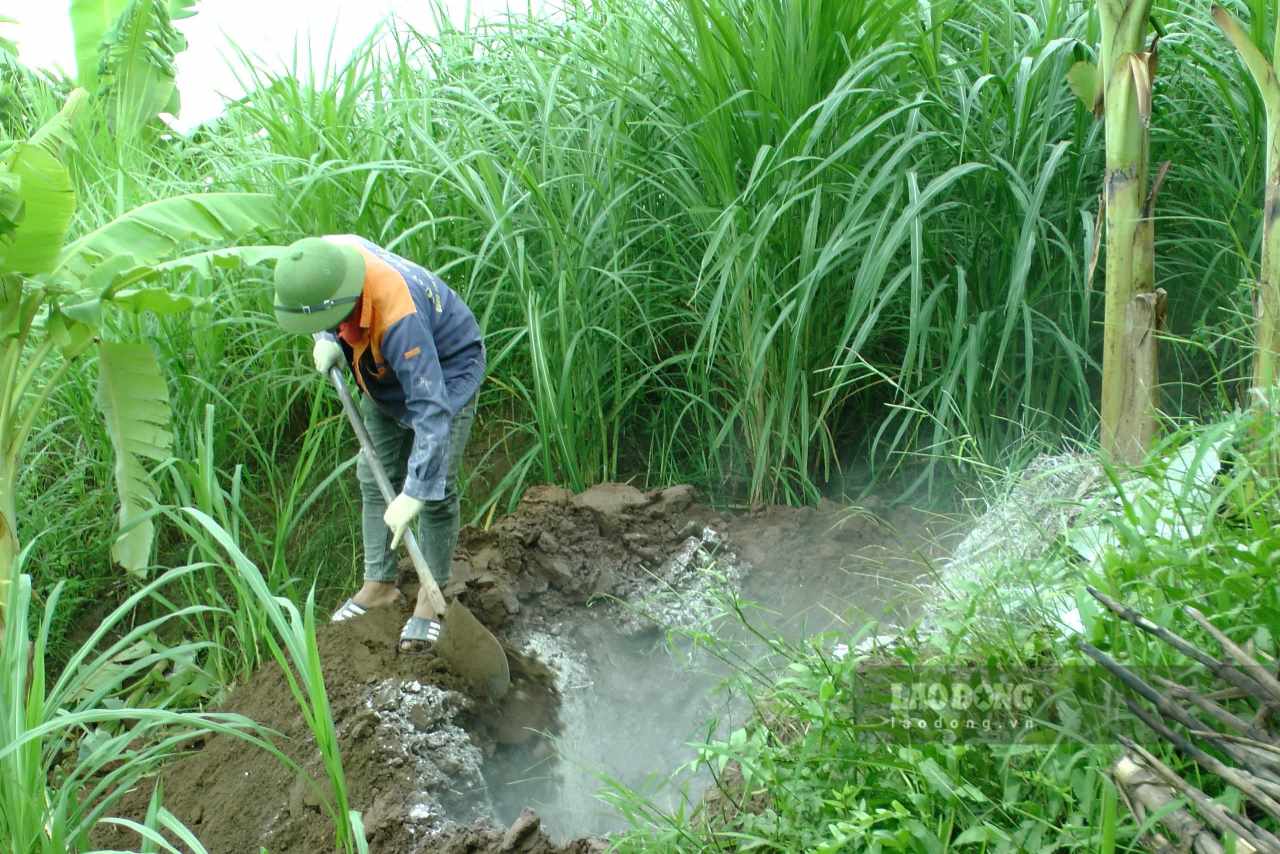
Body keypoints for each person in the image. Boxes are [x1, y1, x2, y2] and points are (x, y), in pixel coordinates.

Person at [271, 235, 485, 651]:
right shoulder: (322, 260)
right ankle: (379, 584)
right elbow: (320, 313)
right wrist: (329, 339)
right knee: (373, 476)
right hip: (379, 370)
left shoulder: (399, 317)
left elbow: (431, 410)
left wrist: (417, 489)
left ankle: (431, 595)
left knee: (435, 492)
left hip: (444, 370)